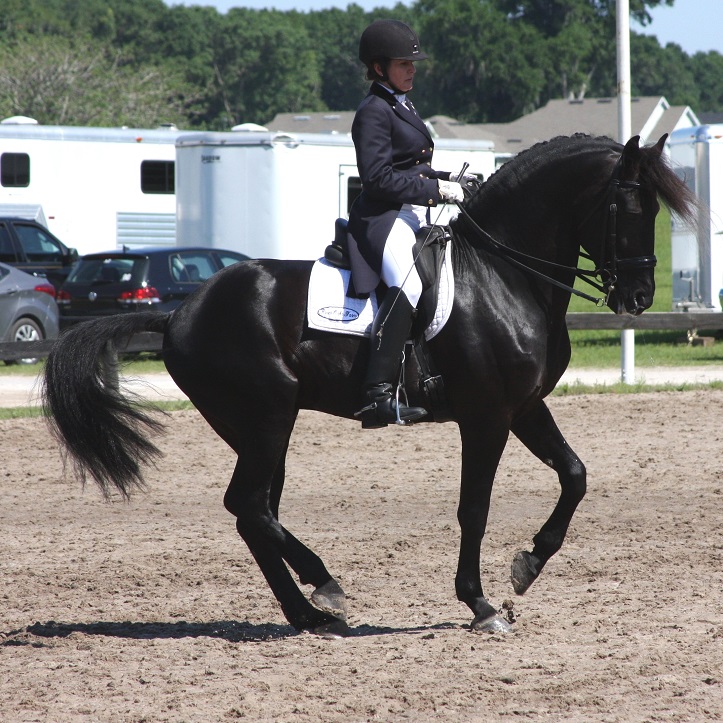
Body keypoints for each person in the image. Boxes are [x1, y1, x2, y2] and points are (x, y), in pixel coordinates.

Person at [348, 19, 467, 430]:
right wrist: (436, 193)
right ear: (379, 67)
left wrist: (448, 179)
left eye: (414, 62)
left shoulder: (401, 102)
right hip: (383, 216)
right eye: (404, 63)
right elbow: (379, 178)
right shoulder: (373, 111)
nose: (412, 69)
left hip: (411, 210)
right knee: (411, 283)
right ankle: (377, 395)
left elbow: (413, 164)